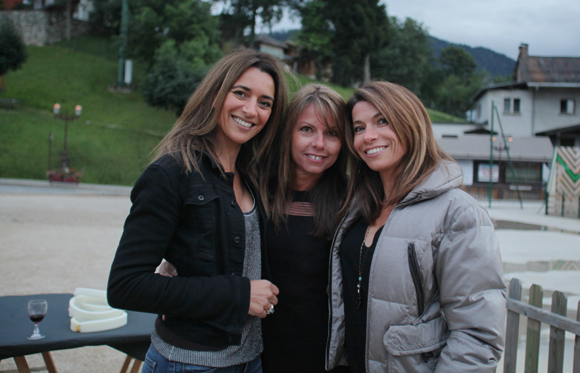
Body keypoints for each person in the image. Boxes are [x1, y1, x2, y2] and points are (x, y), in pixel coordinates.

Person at [107, 48, 288, 373]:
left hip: (250, 361)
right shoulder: (171, 173)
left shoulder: (254, 176)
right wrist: (237, 294)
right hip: (189, 363)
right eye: (241, 93)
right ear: (217, 93)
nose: (251, 110)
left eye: (265, 103)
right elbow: (125, 286)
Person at [326, 81, 506, 372]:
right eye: (359, 128)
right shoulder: (357, 207)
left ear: (410, 123)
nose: (368, 136)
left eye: (382, 121)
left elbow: (477, 337)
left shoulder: (458, 213)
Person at [258, 84, 351, 373]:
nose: (319, 143)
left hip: (322, 357)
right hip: (252, 354)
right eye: (307, 129)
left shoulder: (353, 201)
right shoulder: (253, 186)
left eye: (332, 133)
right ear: (288, 133)